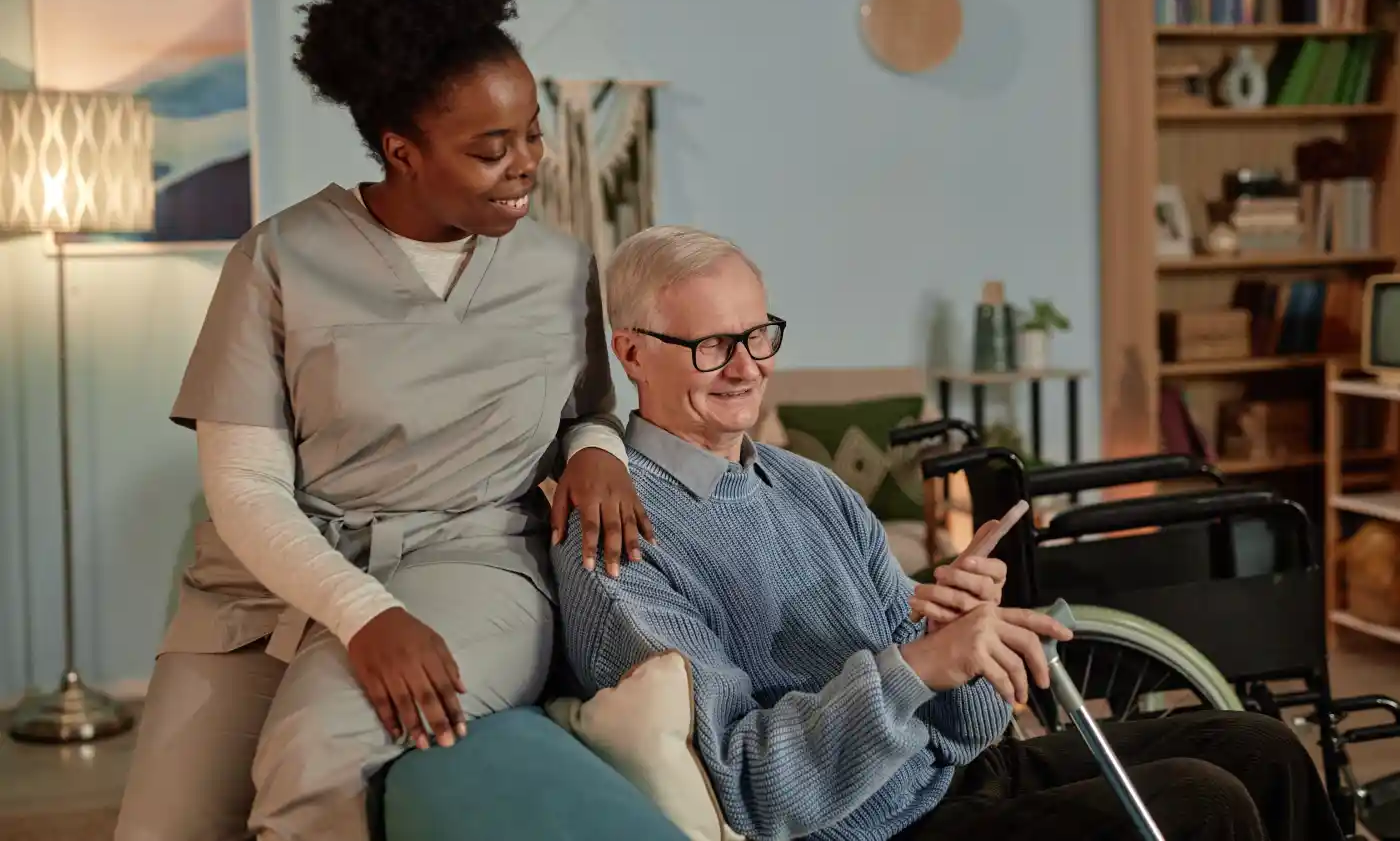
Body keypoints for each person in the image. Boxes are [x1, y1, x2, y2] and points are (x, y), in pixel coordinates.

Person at [113, 0, 653, 840]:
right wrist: (362, 612)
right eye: (491, 148)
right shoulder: (278, 257)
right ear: (402, 148)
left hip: (471, 568)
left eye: (530, 133)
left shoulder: (561, 266)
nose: (526, 164)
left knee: (314, 749)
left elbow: (587, 410)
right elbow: (242, 485)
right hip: (261, 591)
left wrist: (603, 449)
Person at [551, 225, 1346, 841]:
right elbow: (755, 787)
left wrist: (960, 641)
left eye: (759, 335)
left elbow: (964, 736)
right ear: (631, 354)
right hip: (878, 829)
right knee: (1203, 804)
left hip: (951, 780)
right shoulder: (619, 537)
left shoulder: (806, 485)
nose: (748, 366)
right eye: (713, 345)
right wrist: (917, 662)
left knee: (1261, 747)